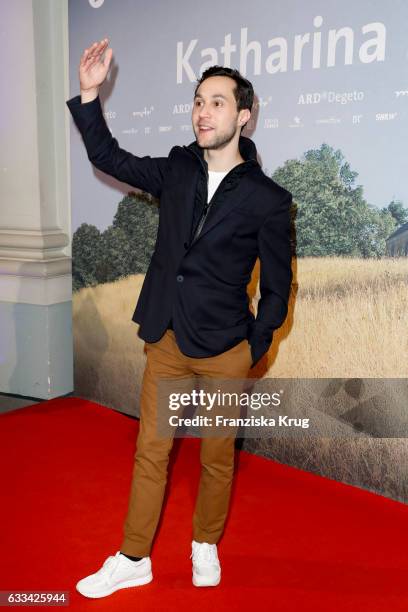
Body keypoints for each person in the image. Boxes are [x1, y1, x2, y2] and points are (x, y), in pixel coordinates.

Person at [66, 38, 292, 597]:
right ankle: (132, 557)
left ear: (243, 115)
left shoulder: (269, 199)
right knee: (151, 453)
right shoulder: (177, 169)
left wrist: (249, 348)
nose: (202, 111)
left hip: (224, 350)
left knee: (217, 459)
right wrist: (90, 95)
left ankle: (205, 544)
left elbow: (279, 292)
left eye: (216, 102)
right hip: (166, 340)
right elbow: (109, 158)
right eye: (197, 100)